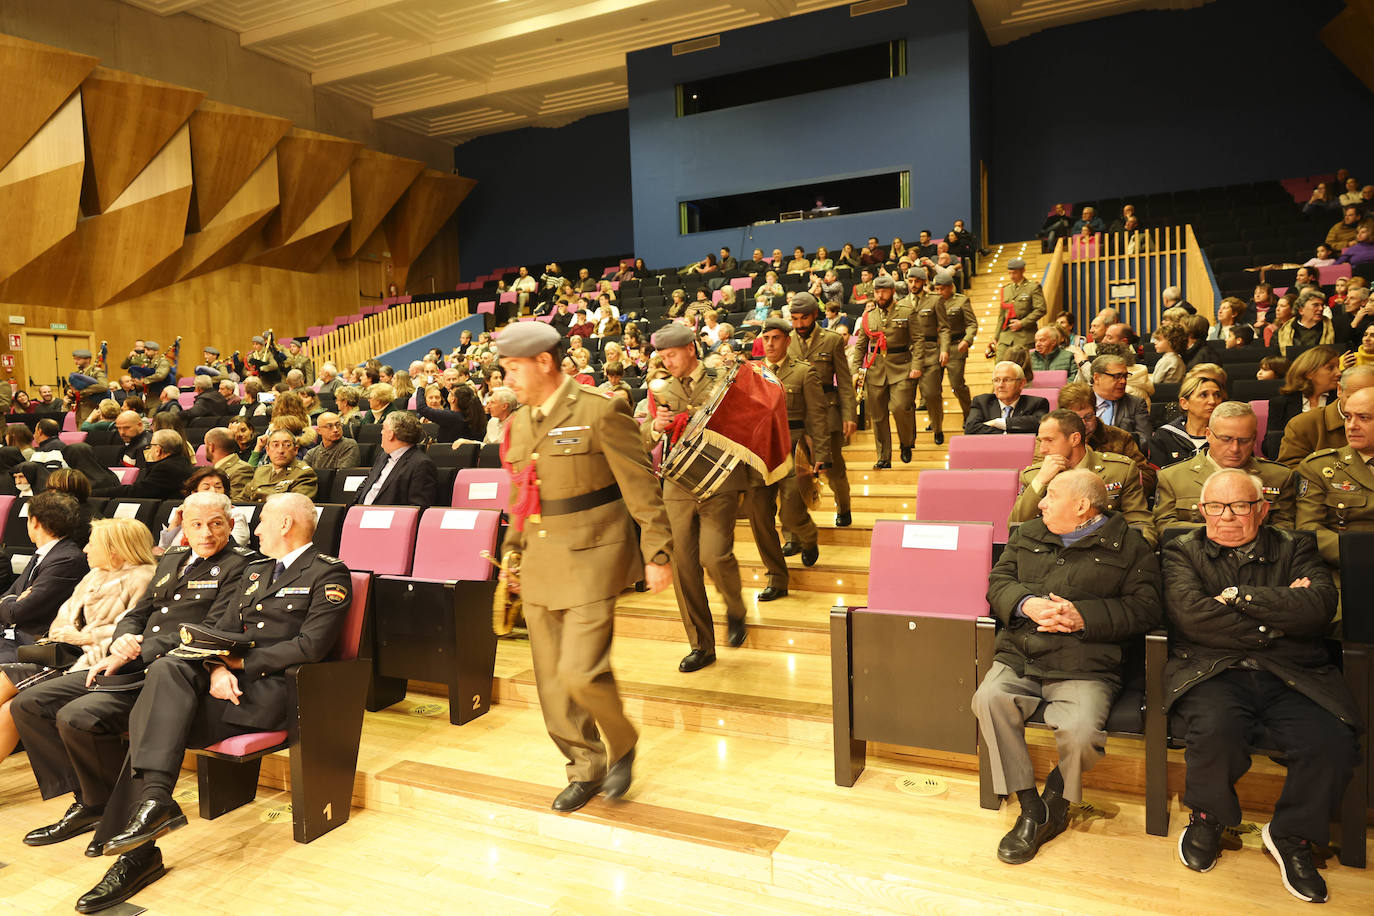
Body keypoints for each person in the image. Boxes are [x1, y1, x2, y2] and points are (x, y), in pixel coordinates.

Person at [71, 493, 347, 912]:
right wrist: (215, 666)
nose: (254, 531)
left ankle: (140, 845)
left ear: (286, 525)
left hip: (271, 693)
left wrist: (236, 662)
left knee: (154, 721)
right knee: (164, 679)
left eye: (263, 523)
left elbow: (310, 647)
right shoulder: (257, 571)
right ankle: (152, 812)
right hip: (224, 685)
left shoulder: (328, 574)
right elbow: (218, 631)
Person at [495, 321, 671, 812]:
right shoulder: (521, 421)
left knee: (580, 672)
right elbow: (521, 496)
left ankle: (623, 740)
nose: (506, 379)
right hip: (540, 561)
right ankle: (585, 767)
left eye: (513, 368)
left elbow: (641, 487)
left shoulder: (600, 411)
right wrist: (512, 555)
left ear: (544, 362)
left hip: (595, 555)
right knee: (553, 685)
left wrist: (657, 552)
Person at [1164, 470, 1357, 904]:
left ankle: (1292, 836)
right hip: (1214, 669)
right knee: (1215, 728)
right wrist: (1279, 613)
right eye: (1215, 506)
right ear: (1201, 510)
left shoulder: (1297, 545)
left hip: (1293, 670)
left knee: (1332, 741)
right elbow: (1191, 618)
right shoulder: (1182, 550)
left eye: (1240, 506)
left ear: (1262, 509)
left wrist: (1235, 597)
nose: (1226, 517)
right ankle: (1209, 817)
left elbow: (1319, 609)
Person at [973, 469, 1160, 865]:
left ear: (1081, 505)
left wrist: (1083, 616)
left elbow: (1146, 610)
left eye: (1050, 495)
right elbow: (997, 581)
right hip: (1021, 654)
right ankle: (1032, 808)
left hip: (1086, 662)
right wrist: (1027, 604)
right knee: (988, 698)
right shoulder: (1026, 534)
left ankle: (1056, 797)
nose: (1039, 502)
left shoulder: (1130, 546)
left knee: (1080, 733)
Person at [0, 517, 155, 773]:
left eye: (91, 544)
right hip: (64, 653)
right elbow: (60, 623)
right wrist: (73, 635)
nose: (85, 550)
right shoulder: (93, 575)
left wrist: (80, 637)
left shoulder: (143, 578)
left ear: (114, 548)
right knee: (4, 684)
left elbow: (125, 632)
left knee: (9, 704)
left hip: (92, 663)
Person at [642, 323, 748, 672]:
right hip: (678, 486)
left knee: (715, 556)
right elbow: (643, 436)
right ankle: (701, 645)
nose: (666, 362)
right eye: (662, 356)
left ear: (690, 348)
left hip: (719, 480)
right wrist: (655, 427)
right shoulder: (659, 389)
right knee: (685, 568)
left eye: (671, 355)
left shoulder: (722, 377)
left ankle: (735, 607)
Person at [746, 318, 828, 601]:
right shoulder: (752, 373)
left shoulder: (804, 372)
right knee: (758, 517)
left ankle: (808, 535)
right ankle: (777, 579)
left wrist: (821, 454)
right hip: (760, 453)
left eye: (775, 338)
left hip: (795, 450)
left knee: (791, 511)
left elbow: (817, 417)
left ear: (787, 340)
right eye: (765, 338)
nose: (769, 343)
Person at [1011, 410, 1155, 545]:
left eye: (1049, 440)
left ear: (1075, 439)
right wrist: (1041, 481)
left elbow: (1140, 524)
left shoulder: (1120, 470)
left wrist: (1130, 552)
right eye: (1040, 441)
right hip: (1050, 555)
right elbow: (1015, 525)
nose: (1042, 449)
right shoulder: (1034, 475)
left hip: (1105, 552)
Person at [1154, 402, 1296, 531]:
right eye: (1226, 439)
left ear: (1254, 439)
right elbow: (1165, 528)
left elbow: (1286, 530)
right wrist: (1225, 531)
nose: (1235, 448)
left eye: (1244, 440)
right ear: (1208, 435)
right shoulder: (1173, 478)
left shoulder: (1279, 477)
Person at [789, 293, 856, 527]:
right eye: (794, 319)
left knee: (834, 469)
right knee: (795, 474)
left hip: (828, 413)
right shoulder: (787, 342)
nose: (799, 325)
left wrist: (849, 414)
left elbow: (845, 382)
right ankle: (798, 526)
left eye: (804, 319)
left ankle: (844, 506)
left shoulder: (832, 340)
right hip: (798, 416)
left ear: (815, 315)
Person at [0, 492, 90, 663]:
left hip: (34, 643)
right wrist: (14, 599)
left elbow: (16, 613)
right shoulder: (44, 554)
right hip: (12, 636)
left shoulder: (67, 560)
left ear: (34, 521)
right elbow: (9, 597)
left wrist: (11, 602)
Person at [1295, 385, 1374, 567]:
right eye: (1347, 417)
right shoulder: (1319, 467)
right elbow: (1308, 529)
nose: (1352, 426)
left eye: (1363, 418)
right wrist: (1361, 553)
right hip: (1347, 569)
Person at [851, 274, 922, 464]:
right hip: (875, 370)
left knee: (900, 408)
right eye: (877, 292)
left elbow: (918, 341)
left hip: (902, 366)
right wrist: (856, 369)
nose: (880, 295)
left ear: (892, 292)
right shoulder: (868, 316)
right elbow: (860, 346)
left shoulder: (907, 311)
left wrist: (916, 366)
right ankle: (884, 457)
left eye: (883, 291)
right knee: (878, 416)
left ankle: (906, 443)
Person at [352, 411, 438, 507]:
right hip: (360, 513)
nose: (381, 432)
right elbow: (367, 483)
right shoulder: (383, 456)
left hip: (388, 518)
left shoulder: (421, 465)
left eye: (383, 428)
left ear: (391, 434)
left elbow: (418, 507)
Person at [931, 269, 977, 440]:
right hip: (935, 348)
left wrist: (968, 339)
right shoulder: (931, 302)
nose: (939, 292)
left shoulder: (961, 300)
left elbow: (972, 324)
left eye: (942, 289)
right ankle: (936, 421)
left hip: (955, 346)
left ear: (950, 287)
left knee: (957, 384)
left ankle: (969, 413)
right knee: (932, 389)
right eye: (936, 289)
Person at [157, 468, 252, 548]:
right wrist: (176, 523)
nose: (213, 491)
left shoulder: (235, 514)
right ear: (194, 493)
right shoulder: (188, 513)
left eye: (218, 487)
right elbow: (164, 548)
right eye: (206, 488)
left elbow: (236, 545)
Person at [1268, 346, 1340, 448]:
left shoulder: (1341, 401)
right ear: (1309, 373)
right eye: (1330, 368)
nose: (1339, 373)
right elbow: (1269, 445)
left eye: (1338, 367)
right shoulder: (1280, 403)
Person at [1148, 374, 1224, 468]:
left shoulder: (1227, 437)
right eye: (1204, 395)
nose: (1212, 401)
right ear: (1184, 403)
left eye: (1217, 395)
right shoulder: (1165, 437)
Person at [964, 363, 1051, 435]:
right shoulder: (982, 402)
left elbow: (1038, 423)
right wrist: (1006, 432)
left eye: (1007, 380)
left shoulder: (1037, 403)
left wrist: (997, 423)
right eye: (997, 380)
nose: (1000, 385)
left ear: (1021, 383)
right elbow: (970, 429)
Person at [1088, 354, 1152, 451]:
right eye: (1117, 376)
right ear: (1097, 378)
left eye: (1125, 376)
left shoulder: (1135, 403)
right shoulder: (1079, 401)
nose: (1123, 381)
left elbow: (1145, 440)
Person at [994, 258, 1046, 361]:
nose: (1012, 276)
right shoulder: (1006, 289)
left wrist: (1022, 323)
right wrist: (996, 336)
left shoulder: (1033, 287)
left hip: (1025, 335)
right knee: (1000, 364)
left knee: (1022, 366)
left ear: (1022, 270)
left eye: (1014, 273)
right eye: (1009, 273)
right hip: (1006, 336)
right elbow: (1002, 315)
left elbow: (1041, 309)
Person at [243, 429, 317, 501]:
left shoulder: (303, 473)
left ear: (295, 450)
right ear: (267, 450)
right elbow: (241, 499)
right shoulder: (262, 470)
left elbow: (296, 505)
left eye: (287, 445)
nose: (280, 450)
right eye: (275, 445)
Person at [121, 430, 193, 500]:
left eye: (151, 446)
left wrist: (110, 491)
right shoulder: (183, 461)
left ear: (158, 450)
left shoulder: (165, 468)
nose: (150, 449)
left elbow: (140, 491)